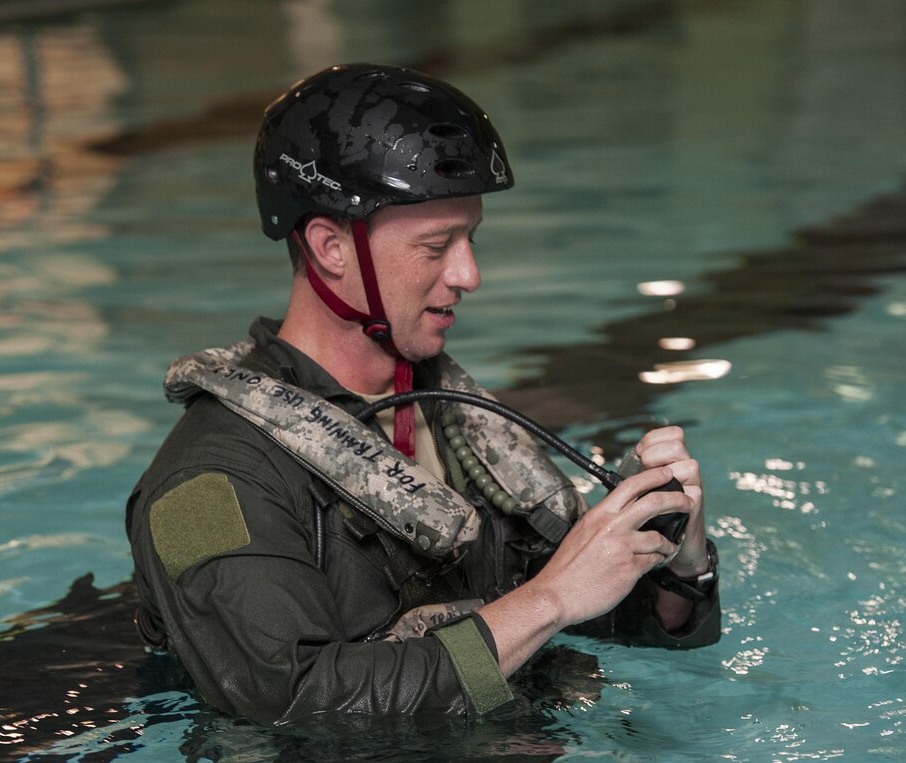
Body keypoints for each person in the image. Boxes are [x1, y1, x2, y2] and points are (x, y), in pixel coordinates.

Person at [126, 63, 720, 725]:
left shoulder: (452, 417)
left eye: (471, 239)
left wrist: (675, 559)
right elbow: (292, 701)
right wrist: (549, 599)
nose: (470, 274)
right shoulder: (205, 481)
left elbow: (596, 615)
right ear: (329, 247)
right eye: (437, 246)